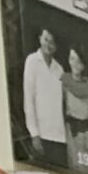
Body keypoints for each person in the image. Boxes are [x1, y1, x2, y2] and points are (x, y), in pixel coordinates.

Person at [21, 27, 66, 166]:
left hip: (59, 136)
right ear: (40, 39)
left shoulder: (59, 69)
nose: (49, 44)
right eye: (46, 39)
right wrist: (34, 133)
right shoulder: (32, 61)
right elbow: (28, 99)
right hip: (41, 135)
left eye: (52, 42)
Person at [62, 47, 88, 174]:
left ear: (83, 65)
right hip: (73, 132)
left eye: (78, 60)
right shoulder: (64, 84)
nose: (75, 63)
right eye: (72, 59)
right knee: (76, 170)